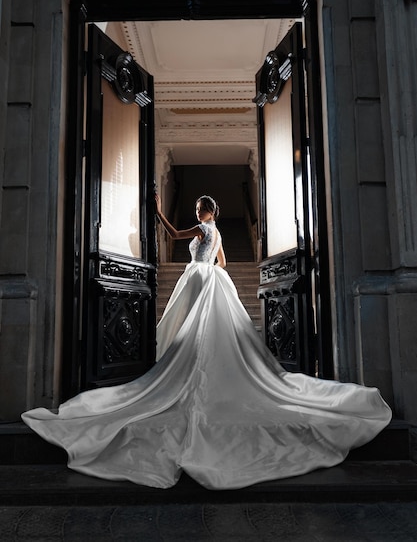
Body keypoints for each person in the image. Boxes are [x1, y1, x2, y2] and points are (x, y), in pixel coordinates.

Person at [22, 194, 392, 490]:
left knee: (189, 326)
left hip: (198, 276)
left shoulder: (200, 228)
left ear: (204, 211)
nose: (200, 212)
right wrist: (209, 266)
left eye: (201, 208)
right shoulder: (218, 234)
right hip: (213, 277)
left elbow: (174, 236)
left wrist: (157, 213)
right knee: (209, 330)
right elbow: (225, 263)